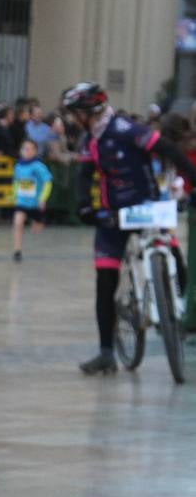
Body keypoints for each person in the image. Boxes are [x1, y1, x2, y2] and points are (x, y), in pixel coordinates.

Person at [61, 82, 196, 375]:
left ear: (89, 112)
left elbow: (169, 149)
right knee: (104, 280)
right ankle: (106, 352)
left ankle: (184, 312)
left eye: (75, 113)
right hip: (113, 216)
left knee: (173, 253)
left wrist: (193, 178)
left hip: (146, 208)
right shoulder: (90, 140)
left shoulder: (126, 129)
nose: (72, 118)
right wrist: (85, 206)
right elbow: (85, 176)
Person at [11, 138, 52, 262]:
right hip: (21, 202)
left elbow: (47, 182)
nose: (27, 151)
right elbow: (16, 182)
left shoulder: (39, 166)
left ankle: (40, 221)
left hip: (35, 204)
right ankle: (17, 251)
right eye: (24, 149)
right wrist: (14, 196)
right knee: (18, 223)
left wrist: (43, 199)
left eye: (30, 149)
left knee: (37, 229)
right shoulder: (18, 166)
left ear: (35, 151)